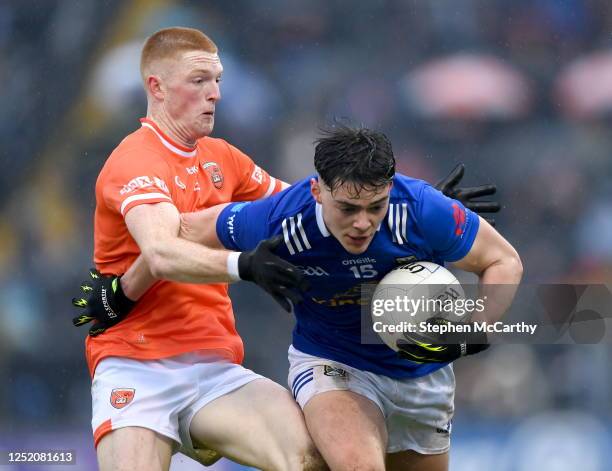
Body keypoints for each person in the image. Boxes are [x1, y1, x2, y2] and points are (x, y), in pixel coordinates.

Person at [75, 124, 520, 471]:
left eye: (376, 207)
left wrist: (473, 327)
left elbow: (504, 262)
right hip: (334, 362)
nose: (363, 223)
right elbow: (181, 233)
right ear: (317, 190)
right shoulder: (281, 218)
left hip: (422, 375)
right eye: (348, 209)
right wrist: (123, 285)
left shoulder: (421, 210)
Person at [74, 26, 326, 471]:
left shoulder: (223, 157)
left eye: (218, 80)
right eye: (199, 81)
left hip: (212, 366)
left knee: (308, 459)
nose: (215, 94)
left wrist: (404, 201)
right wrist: (245, 266)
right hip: (136, 362)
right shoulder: (135, 161)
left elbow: (306, 206)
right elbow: (161, 254)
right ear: (156, 87)